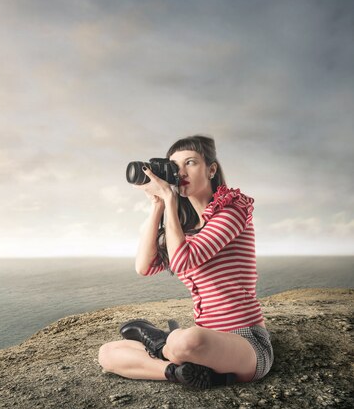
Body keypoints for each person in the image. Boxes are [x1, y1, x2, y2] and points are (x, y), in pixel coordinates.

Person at [97, 135, 273, 389]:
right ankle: (177, 372)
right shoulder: (184, 229)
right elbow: (143, 267)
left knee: (185, 341)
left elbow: (182, 262)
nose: (181, 172)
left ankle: (162, 342)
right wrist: (157, 203)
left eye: (190, 163)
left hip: (245, 342)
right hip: (202, 345)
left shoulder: (233, 210)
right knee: (108, 353)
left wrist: (170, 200)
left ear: (211, 169)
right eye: (174, 166)